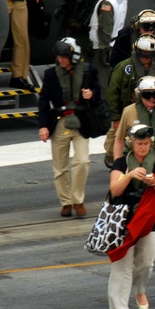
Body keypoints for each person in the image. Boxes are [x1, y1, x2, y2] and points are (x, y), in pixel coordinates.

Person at [106, 122, 155, 309]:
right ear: (131, 143)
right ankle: (121, 308)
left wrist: (154, 183)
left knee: (146, 263)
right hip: (124, 219)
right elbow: (115, 190)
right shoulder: (121, 163)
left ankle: (140, 289)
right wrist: (130, 175)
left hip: (149, 218)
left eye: (146, 143)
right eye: (139, 143)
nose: (143, 147)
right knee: (122, 264)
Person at [38, 37, 101, 218]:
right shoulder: (51, 74)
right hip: (60, 122)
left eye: (64, 56)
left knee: (82, 161)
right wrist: (43, 126)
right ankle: (66, 202)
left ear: (73, 56)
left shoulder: (89, 71)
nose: (60, 60)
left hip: (81, 123)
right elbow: (43, 101)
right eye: (59, 56)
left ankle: (78, 200)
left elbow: (99, 93)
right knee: (60, 167)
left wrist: (92, 94)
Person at [103, 34, 155, 167]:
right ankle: (113, 158)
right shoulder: (124, 67)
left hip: (154, 108)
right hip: (128, 108)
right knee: (114, 141)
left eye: (148, 55)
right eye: (142, 54)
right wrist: (116, 118)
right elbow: (112, 93)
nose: (145, 59)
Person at [112, 76, 155, 171]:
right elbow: (119, 141)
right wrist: (118, 166)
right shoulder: (129, 111)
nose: (152, 98)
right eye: (147, 95)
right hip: (136, 164)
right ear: (139, 95)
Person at [88, 0, 128, 89]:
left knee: (102, 84)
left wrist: (103, 49)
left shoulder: (106, 2)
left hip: (104, 48)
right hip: (115, 44)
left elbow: (105, 28)